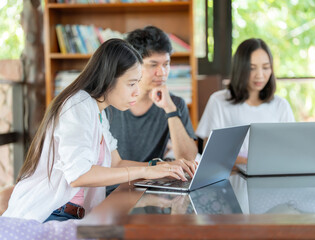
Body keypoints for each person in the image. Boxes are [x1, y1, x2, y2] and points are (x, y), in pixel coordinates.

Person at [3, 39, 194, 223]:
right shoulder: (77, 105)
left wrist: (159, 168)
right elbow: (79, 175)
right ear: (109, 79)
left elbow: (116, 163)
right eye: (131, 83)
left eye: (138, 82)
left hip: (75, 214)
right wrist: (145, 171)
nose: (137, 91)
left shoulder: (98, 111)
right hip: (51, 214)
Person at [105, 26, 198, 195]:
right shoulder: (110, 102)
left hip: (152, 188)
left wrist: (170, 110)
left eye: (166, 64)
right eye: (153, 64)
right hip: (113, 187)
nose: (162, 72)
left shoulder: (175, 103)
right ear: (132, 64)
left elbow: (188, 159)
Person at [196, 38, 295, 164]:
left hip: (271, 178)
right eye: (252, 68)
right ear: (240, 69)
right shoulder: (219, 101)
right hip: (231, 178)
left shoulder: (281, 105)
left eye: (265, 67)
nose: (259, 75)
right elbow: (209, 151)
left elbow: (291, 149)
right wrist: (249, 163)